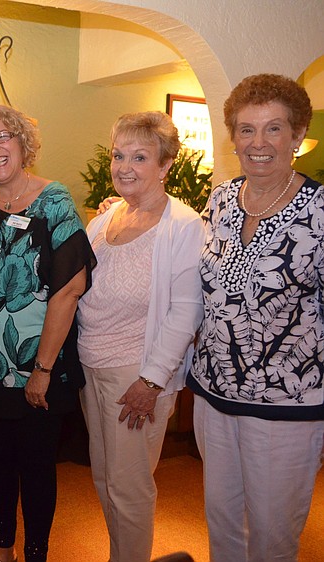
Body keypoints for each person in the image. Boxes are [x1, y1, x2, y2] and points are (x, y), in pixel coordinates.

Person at [187, 73, 324, 562]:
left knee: (272, 535)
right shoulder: (221, 198)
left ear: (297, 135)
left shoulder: (320, 211)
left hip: (286, 403)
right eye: (246, 129)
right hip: (213, 393)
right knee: (221, 523)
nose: (258, 143)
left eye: (273, 128)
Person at [0, 105, 95, 562]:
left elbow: (70, 288)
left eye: (1, 137)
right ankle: (3, 549)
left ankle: (36, 553)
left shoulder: (54, 200)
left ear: (22, 141)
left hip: (40, 364)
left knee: (37, 467)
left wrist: (42, 368)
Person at [76, 111, 205, 562]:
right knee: (104, 479)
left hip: (136, 374)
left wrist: (151, 381)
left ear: (165, 165)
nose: (124, 166)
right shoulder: (105, 218)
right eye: (118, 155)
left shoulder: (183, 225)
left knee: (129, 488)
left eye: (140, 157)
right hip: (92, 366)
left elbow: (186, 311)